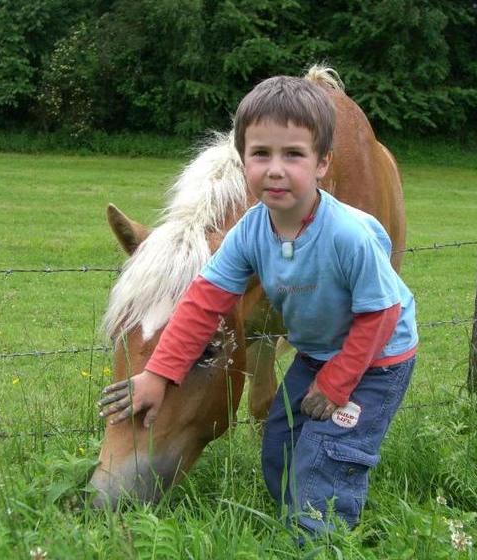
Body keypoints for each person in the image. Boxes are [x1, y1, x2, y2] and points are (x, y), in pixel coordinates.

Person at [98, 74, 418, 536]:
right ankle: (293, 517)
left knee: (329, 452)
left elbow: (381, 314)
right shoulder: (250, 231)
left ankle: (321, 538)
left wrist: (336, 383)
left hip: (377, 358)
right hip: (318, 354)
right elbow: (201, 302)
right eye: (260, 154)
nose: (275, 169)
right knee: (279, 440)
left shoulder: (346, 234)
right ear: (241, 159)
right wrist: (158, 373)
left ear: (323, 162)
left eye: (293, 155)